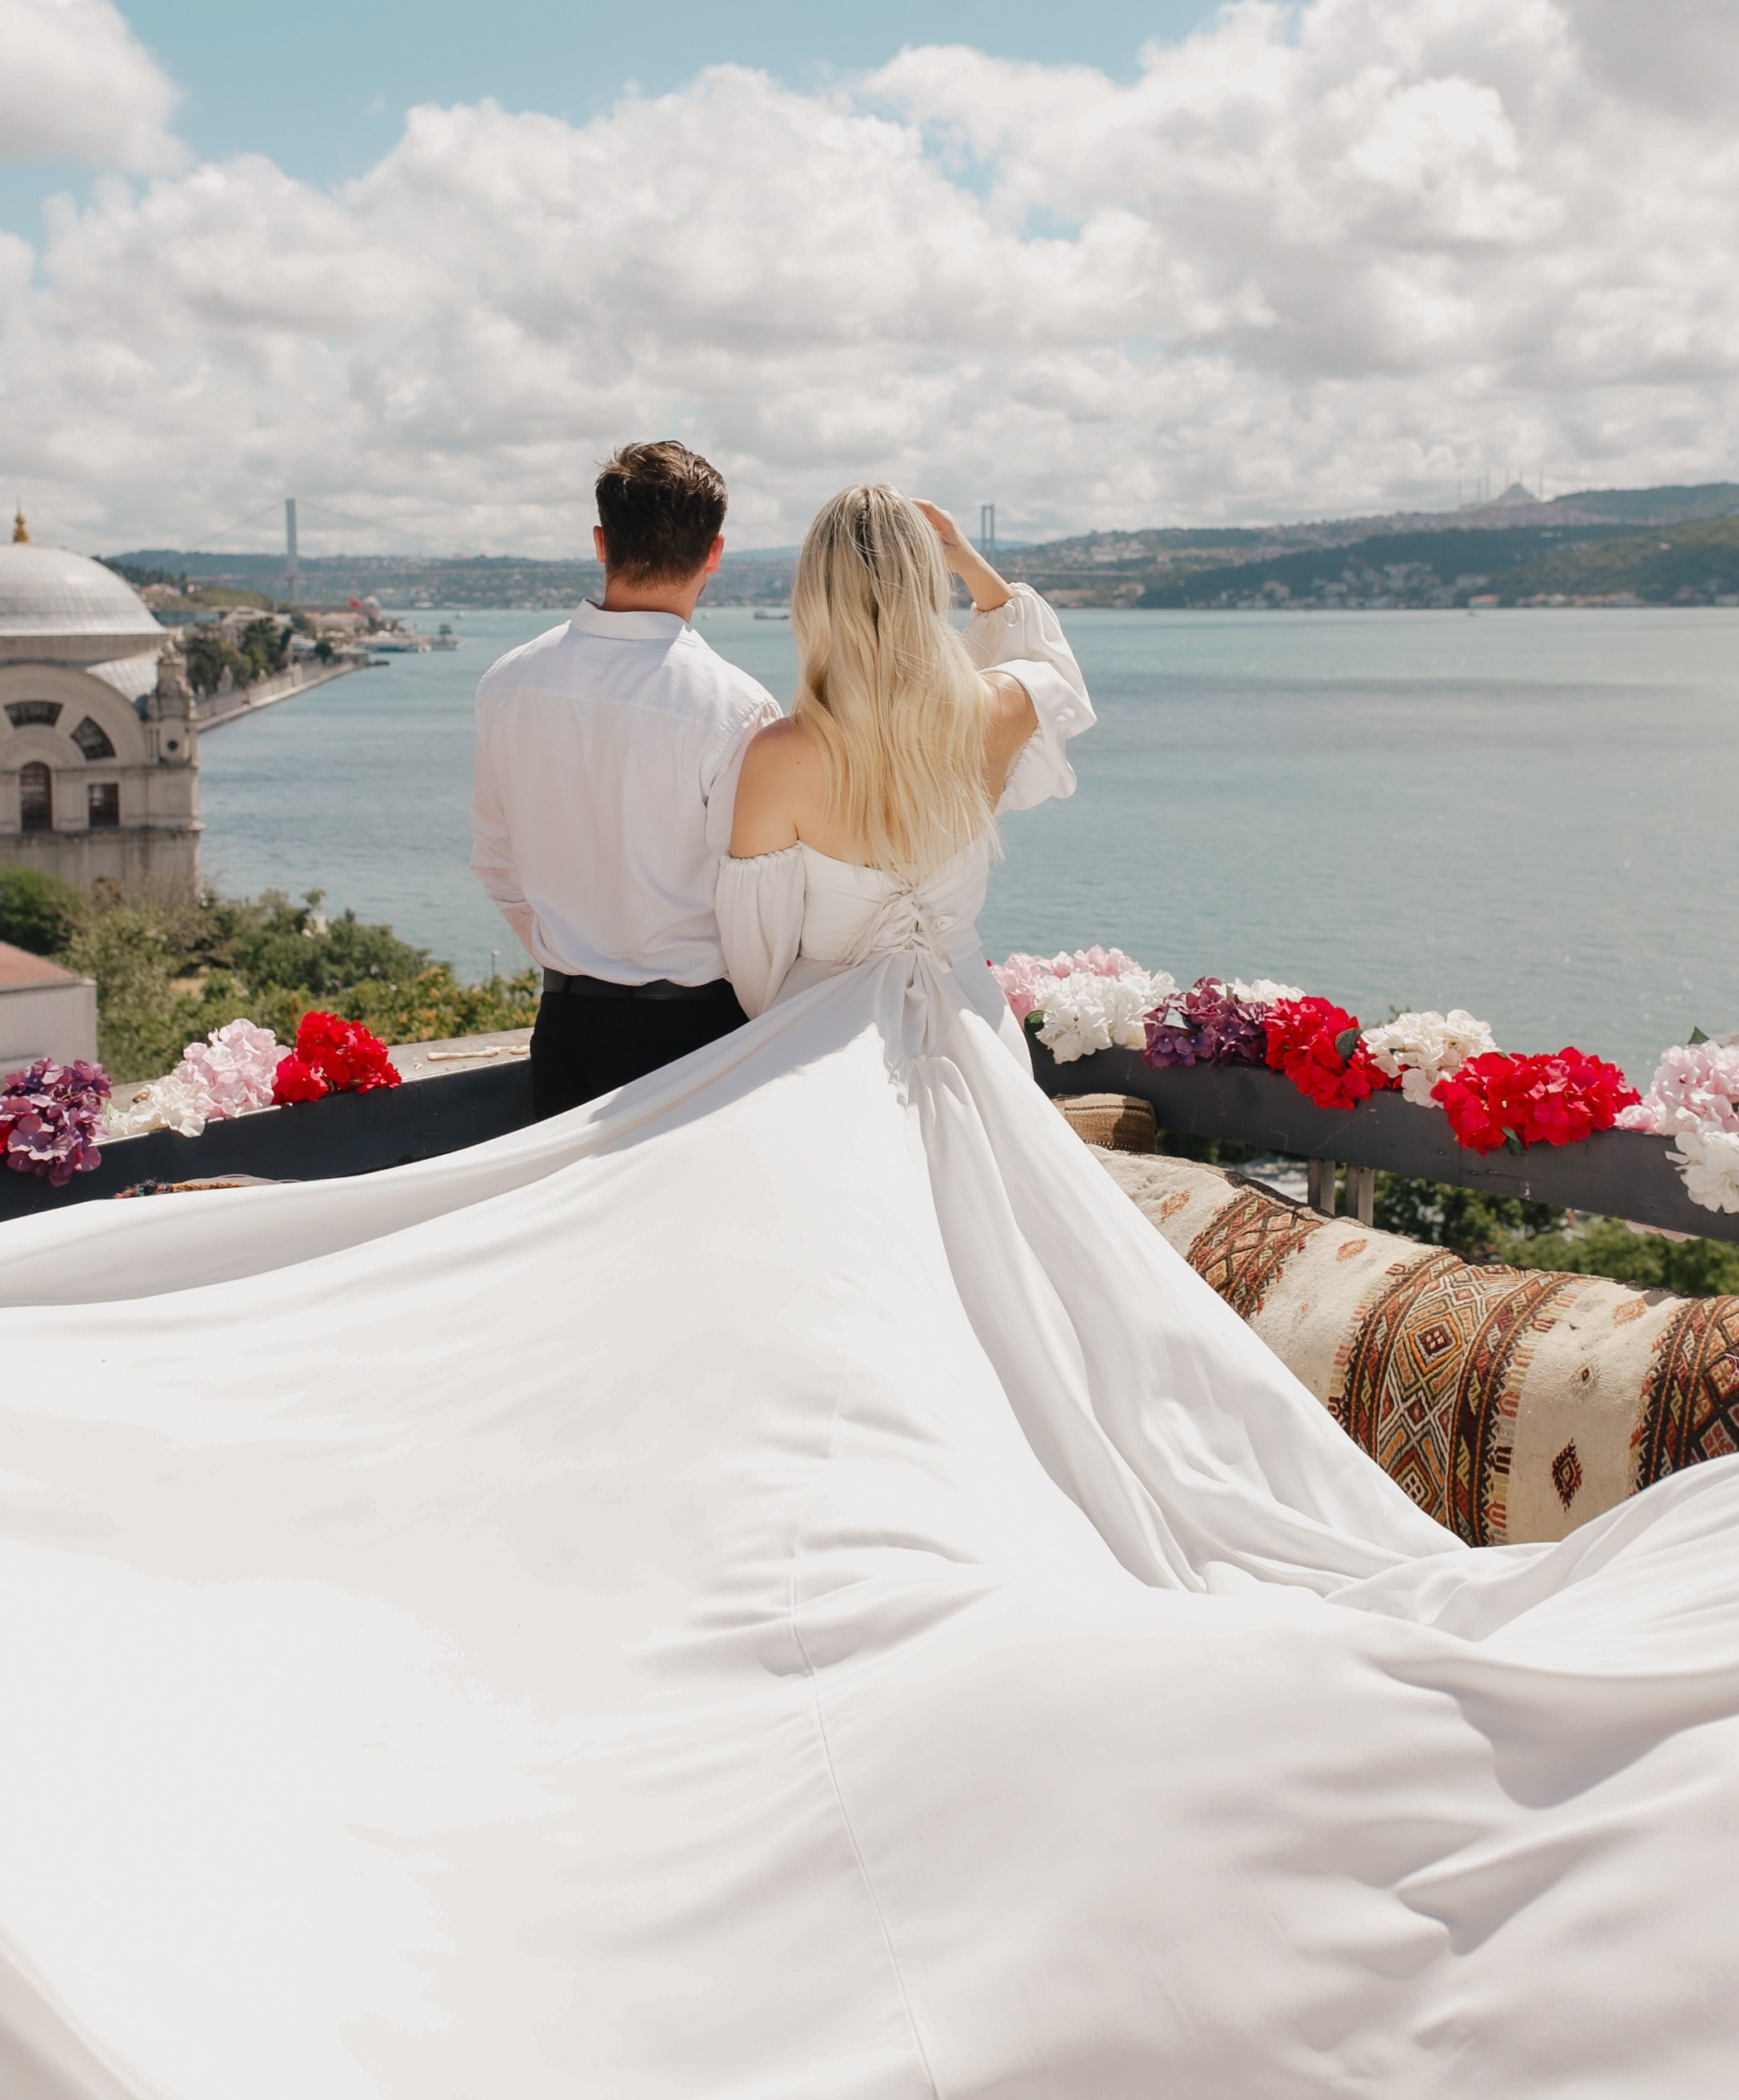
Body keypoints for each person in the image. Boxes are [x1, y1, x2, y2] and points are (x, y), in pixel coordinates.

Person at [0, 487, 1737, 2095]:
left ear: (814, 603)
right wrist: (978, 572)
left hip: (827, 1063)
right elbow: (1054, 666)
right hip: (972, 1056)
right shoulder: (982, 717)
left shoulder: (778, 750)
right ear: (920, 594)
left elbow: (757, 968)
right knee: (1037, 1333)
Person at [469, 437, 779, 1119]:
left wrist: (574, 956)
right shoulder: (739, 708)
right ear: (714, 553)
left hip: (565, 1032)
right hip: (701, 1035)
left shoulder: (506, 683)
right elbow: (758, 901)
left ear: (601, 542)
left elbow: (494, 864)